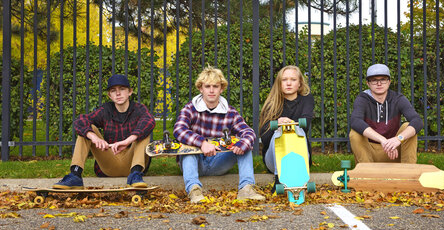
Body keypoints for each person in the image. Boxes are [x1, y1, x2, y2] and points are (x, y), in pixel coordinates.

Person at [173, 66, 266, 203]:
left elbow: (248, 132)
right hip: (194, 161)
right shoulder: (190, 108)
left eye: (215, 86)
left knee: (244, 144)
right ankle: (194, 191)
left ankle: (246, 189)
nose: (211, 90)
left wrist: (242, 144)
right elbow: (179, 130)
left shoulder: (230, 112)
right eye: (207, 86)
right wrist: (202, 143)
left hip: (218, 161)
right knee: (187, 150)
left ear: (221, 89)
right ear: (201, 88)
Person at [52, 74, 156, 189]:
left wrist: (127, 141)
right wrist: (93, 137)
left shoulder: (138, 109)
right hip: (110, 161)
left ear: (130, 92)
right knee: (86, 129)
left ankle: (135, 175)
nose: (118, 93)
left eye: (122, 89)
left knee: (143, 130)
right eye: (113, 90)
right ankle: (75, 175)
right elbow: (80, 121)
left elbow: (149, 121)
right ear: (109, 95)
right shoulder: (106, 110)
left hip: (133, 162)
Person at [349, 64, 423, 164]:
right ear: (368, 83)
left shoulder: (398, 98)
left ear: (389, 82)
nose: (379, 83)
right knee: (355, 133)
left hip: (394, 151)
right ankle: (367, 174)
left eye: (383, 79)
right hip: (370, 153)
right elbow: (355, 121)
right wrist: (383, 140)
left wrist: (398, 139)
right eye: (374, 80)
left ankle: (408, 173)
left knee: (407, 127)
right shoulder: (362, 99)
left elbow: (417, 121)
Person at [259, 65, 314, 192]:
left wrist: (290, 124)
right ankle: (279, 177)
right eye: (284, 80)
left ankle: (302, 181)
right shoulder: (272, 102)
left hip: (299, 157)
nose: (288, 83)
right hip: (274, 160)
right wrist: (277, 124)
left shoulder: (307, 99)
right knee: (280, 131)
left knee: (297, 129)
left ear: (299, 83)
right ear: (279, 83)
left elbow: (306, 123)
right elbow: (265, 138)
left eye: (293, 80)